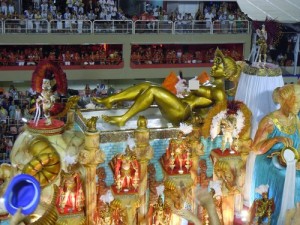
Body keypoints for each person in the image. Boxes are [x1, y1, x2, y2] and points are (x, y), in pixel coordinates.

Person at [92, 49, 240, 126]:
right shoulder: (211, 84)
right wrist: (186, 84)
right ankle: (110, 99)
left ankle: (123, 119)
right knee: (147, 85)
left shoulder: (219, 92)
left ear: (226, 72)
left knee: (153, 90)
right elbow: (195, 88)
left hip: (182, 112)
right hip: (179, 105)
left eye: (217, 65)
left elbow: (211, 104)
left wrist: (188, 85)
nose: (213, 66)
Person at [251, 84, 300, 224]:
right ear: (285, 100)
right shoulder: (269, 121)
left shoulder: (295, 119)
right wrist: (275, 139)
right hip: (269, 161)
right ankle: (283, 217)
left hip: (291, 159)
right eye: (296, 102)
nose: (299, 106)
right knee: (295, 180)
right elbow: (256, 149)